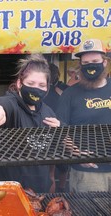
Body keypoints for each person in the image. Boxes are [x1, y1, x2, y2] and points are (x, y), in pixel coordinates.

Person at [0, 54, 61, 193]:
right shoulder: (11, 104)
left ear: (47, 87)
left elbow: (52, 152)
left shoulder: (49, 112)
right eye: (30, 84)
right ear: (19, 83)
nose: (36, 89)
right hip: (12, 192)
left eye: (41, 85)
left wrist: (51, 179)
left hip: (41, 192)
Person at [56, 38, 111, 192]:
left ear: (104, 62)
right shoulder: (70, 94)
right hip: (88, 174)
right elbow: (59, 130)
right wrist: (77, 153)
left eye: (95, 61)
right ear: (80, 65)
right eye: (86, 63)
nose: (91, 66)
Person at [43, 63, 69, 192]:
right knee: (60, 167)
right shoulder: (61, 91)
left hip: (47, 132)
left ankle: (53, 195)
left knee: (51, 172)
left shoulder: (43, 92)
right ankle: (62, 188)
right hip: (59, 130)